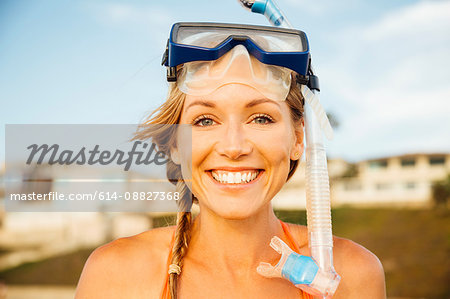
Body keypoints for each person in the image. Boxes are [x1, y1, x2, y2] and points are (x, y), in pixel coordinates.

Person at [75, 23, 386, 299]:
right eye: (206, 121)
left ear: (298, 140)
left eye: (261, 118)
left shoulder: (352, 273)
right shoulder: (116, 275)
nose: (234, 147)